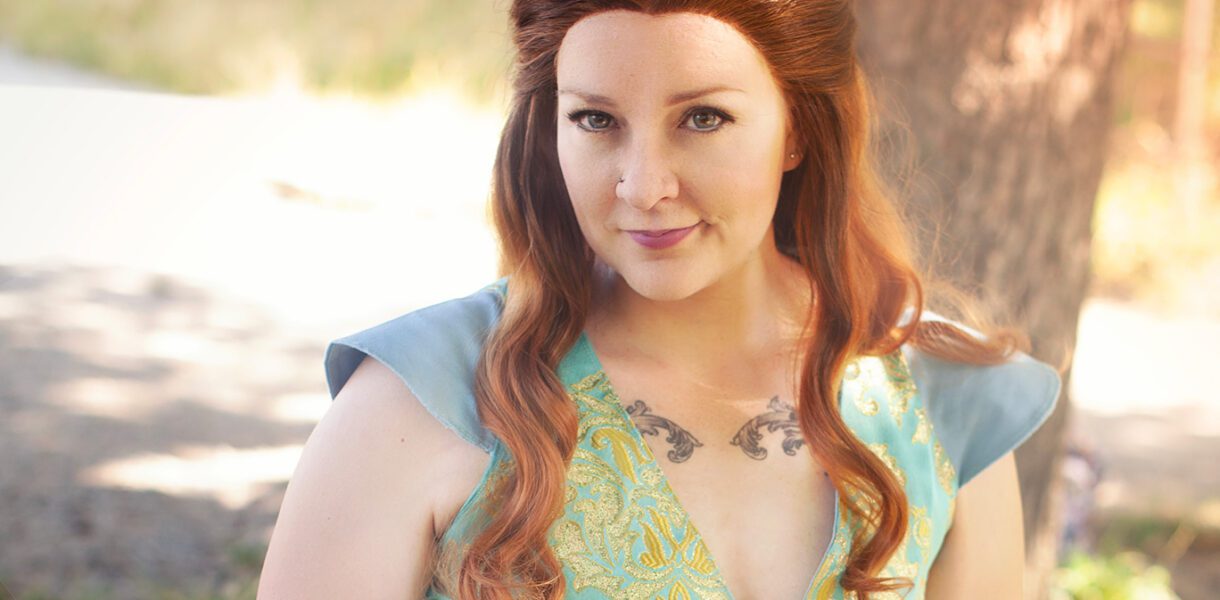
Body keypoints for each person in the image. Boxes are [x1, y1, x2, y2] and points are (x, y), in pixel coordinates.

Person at [257, 1, 1061, 599]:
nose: (644, 186)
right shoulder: (414, 404)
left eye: (703, 118)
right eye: (596, 119)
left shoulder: (945, 401)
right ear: (550, 128)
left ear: (798, 129)